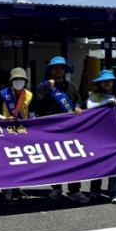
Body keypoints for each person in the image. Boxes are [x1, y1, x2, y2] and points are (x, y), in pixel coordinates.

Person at [34, 56, 88, 203]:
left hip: (70, 129)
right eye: (55, 68)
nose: (58, 70)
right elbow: (39, 105)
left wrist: (77, 106)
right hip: (51, 129)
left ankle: (74, 190)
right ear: (50, 70)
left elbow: (78, 100)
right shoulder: (42, 87)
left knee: (74, 160)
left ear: (65, 70)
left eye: (61, 68)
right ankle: (56, 188)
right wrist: (50, 90)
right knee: (54, 160)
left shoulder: (71, 86)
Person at [86, 70, 116, 205]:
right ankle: (94, 191)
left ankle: (115, 193)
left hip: (114, 137)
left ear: (113, 83)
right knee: (97, 164)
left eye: (109, 81)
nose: (107, 83)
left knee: (115, 165)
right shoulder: (93, 96)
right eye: (104, 81)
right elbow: (90, 108)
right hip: (97, 136)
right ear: (100, 83)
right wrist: (106, 103)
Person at [0, 68, 34, 203]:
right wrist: (4, 119)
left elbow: (32, 115)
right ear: (11, 82)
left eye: (21, 80)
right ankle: (7, 191)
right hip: (6, 133)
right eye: (16, 79)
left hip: (22, 133)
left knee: (20, 162)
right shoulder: (2, 94)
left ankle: (17, 188)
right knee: (7, 163)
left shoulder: (29, 95)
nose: (19, 82)